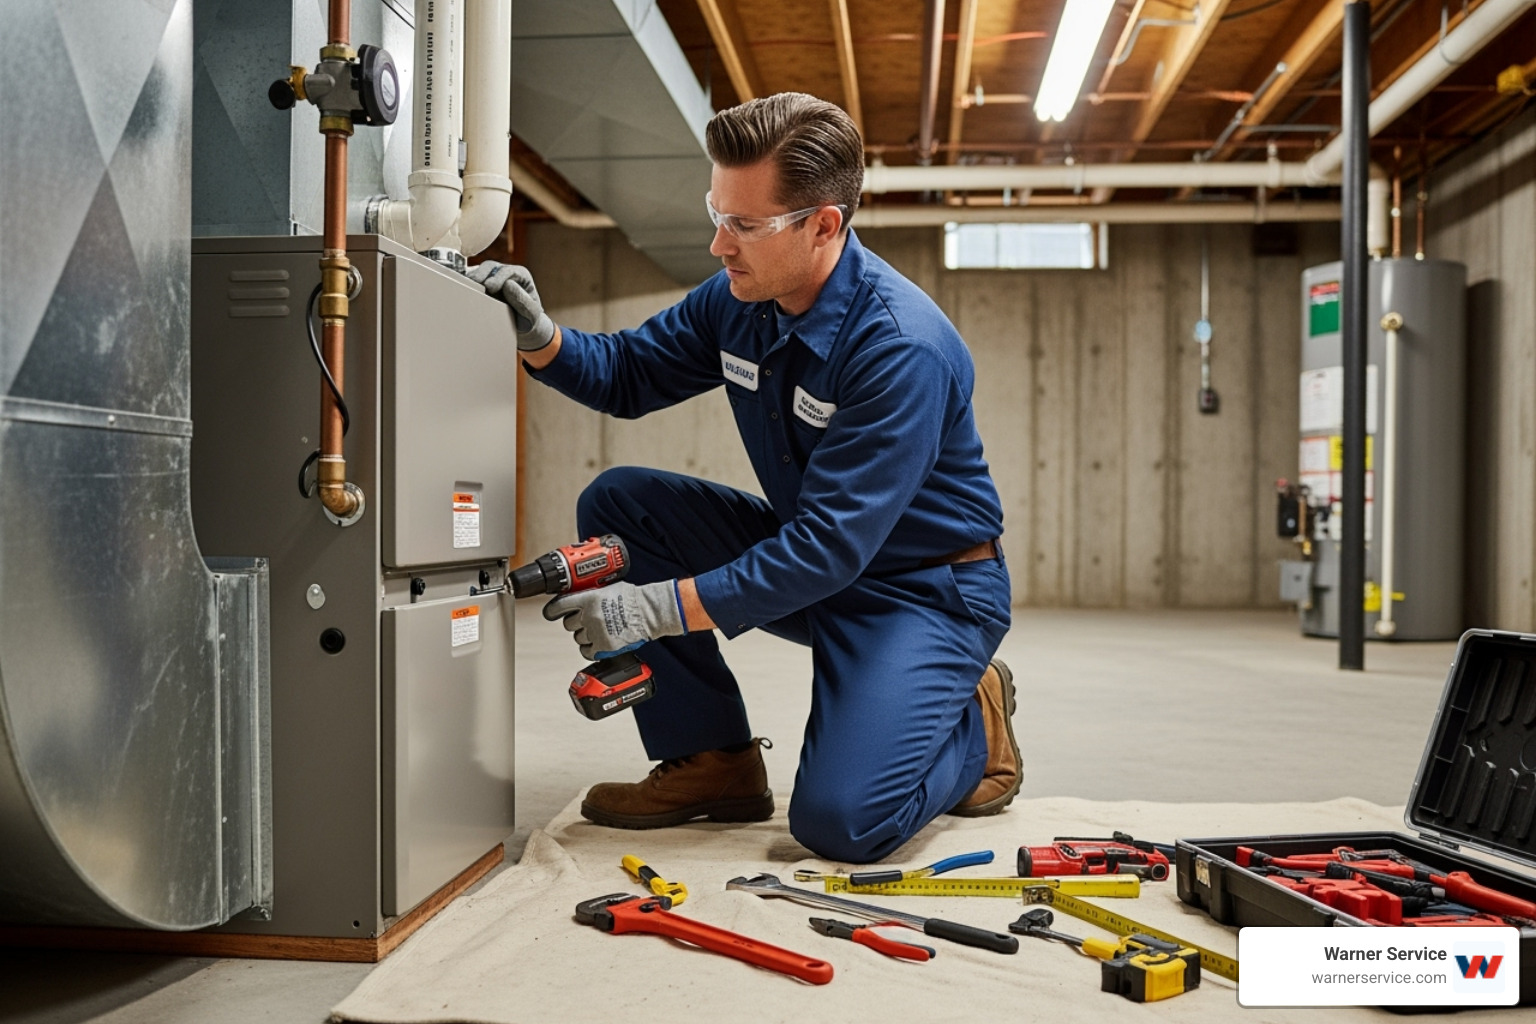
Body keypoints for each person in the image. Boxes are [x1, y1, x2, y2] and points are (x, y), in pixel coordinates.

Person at [467, 92, 1016, 864]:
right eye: (717, 213)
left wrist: (652, 610)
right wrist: (541, 337)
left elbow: (828, 549)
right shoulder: (742, 300)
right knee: (623, 505)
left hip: (922, 594)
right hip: (821, 566)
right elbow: (629, 373)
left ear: (823, 225)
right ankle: (711, 761)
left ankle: (975, 724)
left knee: (842, 824)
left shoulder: (899, 348)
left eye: (746, 225)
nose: (719, 244)